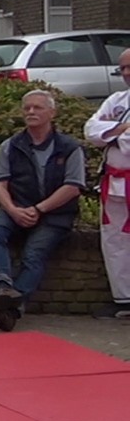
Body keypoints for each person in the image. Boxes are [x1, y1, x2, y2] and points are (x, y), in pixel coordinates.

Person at [0, 89, 84, 332]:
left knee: (34, 253)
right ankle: (3, 287)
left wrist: (39, 209)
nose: (31, 112)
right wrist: (13, 210)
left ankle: (10, 309)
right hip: (17, 206)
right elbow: (0, 183)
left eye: (37, 107)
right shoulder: (10, 146)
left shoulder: (69, 147)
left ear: (52, 112)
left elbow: (73, 186)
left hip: (56, 214)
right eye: (27, 108)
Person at [86, 49, 130, 320]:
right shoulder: (116, 100)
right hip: (114, 182)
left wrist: (111, 132)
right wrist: (122, 130)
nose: (126, 73)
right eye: (122, 68)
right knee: (115, 239)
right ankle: (123, 298)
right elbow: (91, 130)